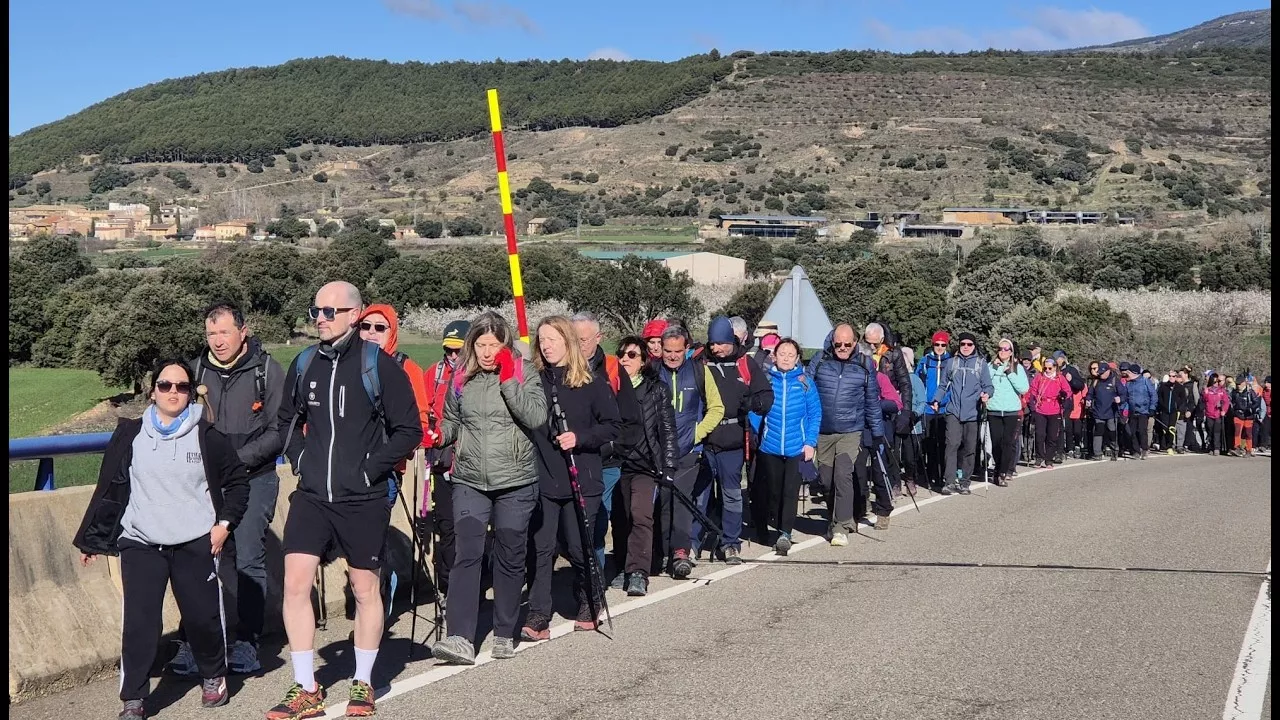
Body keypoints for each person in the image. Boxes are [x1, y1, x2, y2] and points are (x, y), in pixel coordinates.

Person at [269, 282, 423, 720]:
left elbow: (408, 429)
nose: (320, 317)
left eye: (330, 310)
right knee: (296, 584)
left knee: (364, 587)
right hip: (313, 495)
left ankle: (362, 682)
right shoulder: (304, 363)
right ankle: (306, 688)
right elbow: (286, 420)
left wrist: (371, 469)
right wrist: (298, 458)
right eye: (315, 309)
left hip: (363, 498)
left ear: (354, 315)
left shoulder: (377, 365)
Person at [75, 359, 249, 720]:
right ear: (153, 391)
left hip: (194, 541)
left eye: (182, 387)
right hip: (141, 542)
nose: (173, 392)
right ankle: (134, 698)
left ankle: (213, 674)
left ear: (191, 393)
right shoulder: (129, 435)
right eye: (166, 385)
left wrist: (224, 524)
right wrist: (94, 538)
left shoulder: (207, 436)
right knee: (140, 623)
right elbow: (109, 488)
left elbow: (237, 483)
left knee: (202, 618)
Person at [168, 303, 283, 678]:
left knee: (248, 557)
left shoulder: (267, 370)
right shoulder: (194, 371)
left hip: (256, 479)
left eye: (225, 333)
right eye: (211, 334)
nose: (218, 341)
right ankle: (192, 643)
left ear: (243, 331)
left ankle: (246, 644)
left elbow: (279, 430)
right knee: (197, 560)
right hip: (205, 482)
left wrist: (236, 462)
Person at [430, 312, 545, 665]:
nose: (486, 352)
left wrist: (510, 380)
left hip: (516, 481)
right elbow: (451, 419)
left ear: (505, 345)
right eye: (480, 345)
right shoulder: (461, 378)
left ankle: (503, 632)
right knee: (468, 554)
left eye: (493, 345)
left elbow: (537, 418)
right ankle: (460, 637)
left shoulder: (524, 373)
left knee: (510, 556)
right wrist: (439, 436)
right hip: (469, 480)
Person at [523, 316, 622, 639]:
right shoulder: (535, 381)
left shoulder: (592, 382)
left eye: (553, 339)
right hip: (543, 478)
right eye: (542, 340)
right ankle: (538, 614)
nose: (547, 345)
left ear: (568, 341)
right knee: (541, 548)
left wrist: (580, 437)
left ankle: (590, 599)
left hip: (582, 476)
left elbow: (612, 427)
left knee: (579, 548)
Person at [694, 316, 773, 564]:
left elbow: (765, 396)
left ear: (731, 341)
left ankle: (730, 543)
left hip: (733, 440)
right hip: (704, 440)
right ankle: (693, 543)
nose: (716, 348)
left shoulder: (745, 363)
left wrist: (753, 403)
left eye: (721, 343)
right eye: (712, 343)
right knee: (700, 495)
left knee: (731, 494)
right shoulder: (699, 362)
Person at [570, 311, 640, 582]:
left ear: (598, 338)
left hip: (605, 461)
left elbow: (631, 418)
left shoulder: (612, 367)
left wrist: (613, 449)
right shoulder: (561, 367)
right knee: (574, 525)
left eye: (583, 339)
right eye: (573, 339)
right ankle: (582, 575)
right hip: (572, 459)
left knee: (597, 522)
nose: (578, 344)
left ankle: (594, 584)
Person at [655, 325, 725, 579]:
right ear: (660, 350)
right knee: (663, 502)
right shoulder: (652, 371)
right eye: (667, 351)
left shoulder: (699, 371)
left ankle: (681, 552)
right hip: (659, 451)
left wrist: (697, 434)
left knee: (682, 501)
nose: (672, 356)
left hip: (688, 450)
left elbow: (716, 408)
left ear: (687, 350)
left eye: (677, 351)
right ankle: (664, 551)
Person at [808, 324, 884, 546]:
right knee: (826, 480)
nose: (842, 347)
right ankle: (838, 518)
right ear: (832, 341)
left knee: (843, 474)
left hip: (851, 430)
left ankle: (841, 527)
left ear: (855, 343)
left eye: (847, 344)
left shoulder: (864, 364)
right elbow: (806, 391)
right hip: (823, 430)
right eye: (838, 343)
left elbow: (872, 401)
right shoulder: (819, 360)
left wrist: (877, 432)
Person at [612, 336, 676, 596]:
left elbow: (667, 429)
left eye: (632, 355)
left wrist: (669, 465)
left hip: (646, 465)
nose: (625, 359)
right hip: (617, 464)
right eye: (621, 354)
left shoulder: (656, 389)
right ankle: (622, 566)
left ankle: (639, 571)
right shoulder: (610, 387)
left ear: (644, 360)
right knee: (620, 518)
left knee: (641, 514)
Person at [752, 338, 821, 556]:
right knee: (773, 492)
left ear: (798, 358)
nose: (786, 358)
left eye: (791, 355)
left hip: (796, 448)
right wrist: (756, 432)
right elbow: (755, 409)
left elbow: (814, 414)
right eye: (782, 353)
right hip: (769, 447)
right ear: (774, 355)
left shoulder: (805, 382)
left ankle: (785, 534)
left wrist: (810, 443)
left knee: (790, 492)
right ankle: (771, 523)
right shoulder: (766, 381)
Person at [422, 320, 469, 597]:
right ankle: (449, 585)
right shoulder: (434, 374)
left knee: (468, 527)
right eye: (448, 350)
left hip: (472, 462)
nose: (452, 356)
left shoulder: (481, 374)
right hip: (442, 461)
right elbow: (424, 409)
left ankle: (470, 581)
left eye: (458, 351)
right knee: (446, 525)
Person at [930, 332, 992, 495]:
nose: (966, 347)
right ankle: (949, 482)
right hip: (953, 412)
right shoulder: (952, 363)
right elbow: (943, 385)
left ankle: (964, 481)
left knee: (970, 448)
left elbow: (988, 386)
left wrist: (987, 394)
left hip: (972, 413)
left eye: (969, 344)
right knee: (952, 445)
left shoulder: (981, 364)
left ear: (974, 346)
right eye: (963, 344)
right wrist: (936, 399)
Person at [986, 339, 1029, 486]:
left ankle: (1003, 472)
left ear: (1011, 352)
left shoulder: (1018, 368)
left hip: (1011, 411)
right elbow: (985, 383)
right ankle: (998, 469)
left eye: (1006, 349)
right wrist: (994, 369)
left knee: (1008, 443)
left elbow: (1024, 389)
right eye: (1000, 348)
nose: (1002, 351)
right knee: (996, 443)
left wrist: (1010, 373)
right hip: (994, 409)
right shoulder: (990, 366)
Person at [917, 330, 951, 492]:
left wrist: (942, 400)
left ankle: (943, 474)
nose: (939, 347)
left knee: (944, 443)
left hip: (945, 408)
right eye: (937, 344)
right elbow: (919, 382)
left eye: (943, 345)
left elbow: (953, 386)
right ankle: (930, 475)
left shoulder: (951, 361)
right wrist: (925, 401)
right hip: (928, 408)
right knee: (929, 443)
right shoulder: (925, 361)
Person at [1027, 356, 1072, 468]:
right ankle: (1039, 457)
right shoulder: (1039, 377)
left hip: (1054, 409)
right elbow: (1032, 390)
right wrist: (1032, 406)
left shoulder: (1060, 378)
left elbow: (1068, 391)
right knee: (1040, 434)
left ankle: (1049, 459)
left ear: (1055, 367)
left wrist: (1064, 396)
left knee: (1052, 436)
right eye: (1045, 368)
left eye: (1050, 368)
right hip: (1040, 408)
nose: (1047, 370)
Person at [899, 346, 929, 496]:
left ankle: (910, 478)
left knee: (910, 457)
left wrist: (914, 414)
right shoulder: (894, 381)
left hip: (912, 425)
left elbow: (922, 401)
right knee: (896, 455)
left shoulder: (915, 380)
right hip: (897, 422)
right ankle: (895, 483)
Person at [1086, 361, 1127, 461]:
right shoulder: (1096, 382)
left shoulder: (1115, 381)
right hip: (1098, 411)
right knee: (1098, 432)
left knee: (1112, 432)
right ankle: (1097, 453)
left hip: (1111, 412)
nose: (1101, 375)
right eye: (1100, 373)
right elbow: (1090, 393)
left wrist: (1119, 399)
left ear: (1108, 371)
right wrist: (1088, 400)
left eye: (1103, 373)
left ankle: (1115, 450)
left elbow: (1124, 394)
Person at [1124, 363, 1156, 459]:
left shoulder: (1145, 382)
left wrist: (1152, 408)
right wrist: (1125, 412)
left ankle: (1144, 449)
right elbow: (1126, 399)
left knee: (1142, 431)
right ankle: (1136, 451)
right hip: (1132, 411)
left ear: (1135, 373)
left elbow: (1153, 395)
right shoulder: (1128, 383)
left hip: (1144, 411)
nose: (1127, 374)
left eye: (1129, 372)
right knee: (1132, 432)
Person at [1230, 375, 1262, 457]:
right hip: (1238, 415)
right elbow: (1232, 402)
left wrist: (1251, 409)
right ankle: (1237, 447)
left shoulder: (1250, 392)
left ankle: (1248, 449)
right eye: (1237, 384)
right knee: (1237, 431)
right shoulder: (1234, 392)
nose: (1238, 386)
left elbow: (1257, 402)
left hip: (1248, 416)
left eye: (1240, 384)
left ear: (1244, 383)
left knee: (1248, 434)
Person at [1202, 372, 1231, 456]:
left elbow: (1226, 402)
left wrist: (1224, 410)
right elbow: (1204, 401)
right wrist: (1206, 393)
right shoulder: (1208, 390)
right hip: (1209, 414)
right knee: (1210, 431)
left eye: (1217, 382)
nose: (1216, 383)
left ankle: (1216, 448)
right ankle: (1211, 447)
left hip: (1218, 414)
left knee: (1217, 431)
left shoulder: (1222, 391)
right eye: (1214, 382)